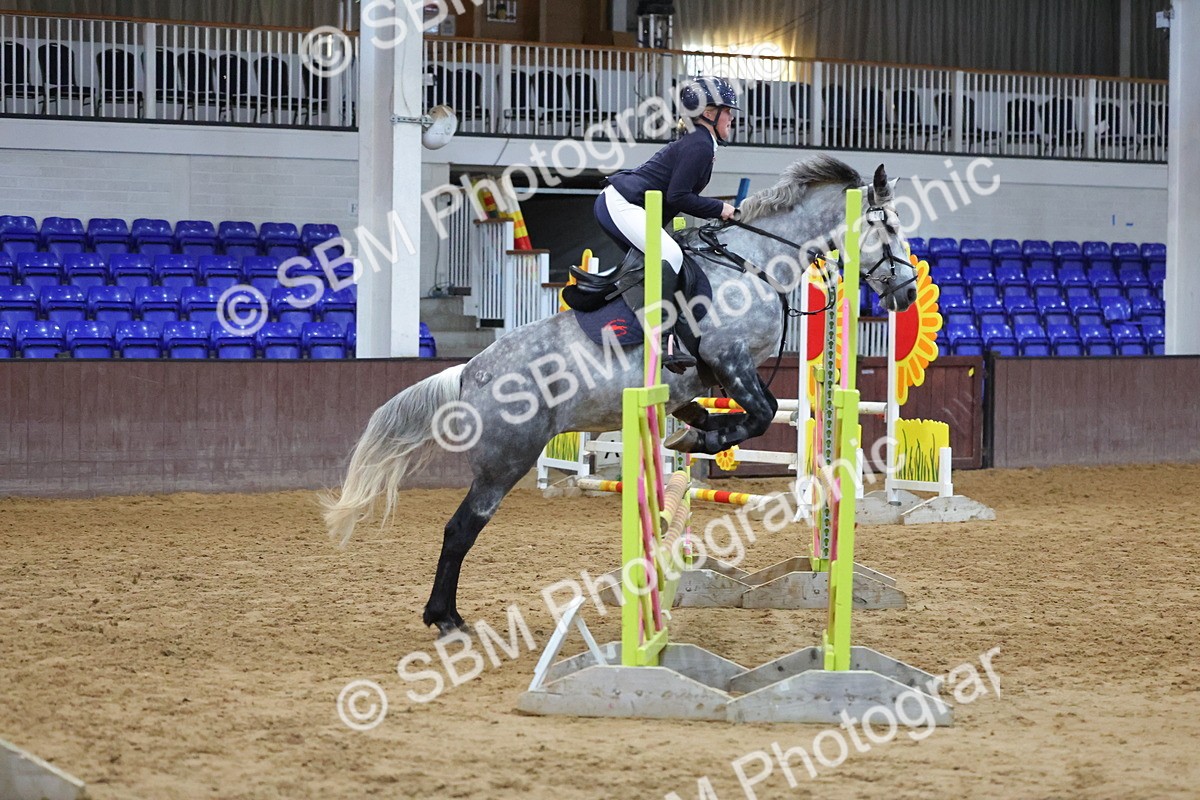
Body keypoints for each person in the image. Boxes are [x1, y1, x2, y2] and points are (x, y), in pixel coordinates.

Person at [563, 76, 739, 373]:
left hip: (628, 205)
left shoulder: (701, 142)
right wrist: (720, 208)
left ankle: (628, 310)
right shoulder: (699, 145)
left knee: (669, 257)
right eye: (728, 111)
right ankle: (664, 337)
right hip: (621, 204)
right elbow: (679, 196)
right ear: (709, 113)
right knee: (669, 255)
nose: (732, 117)